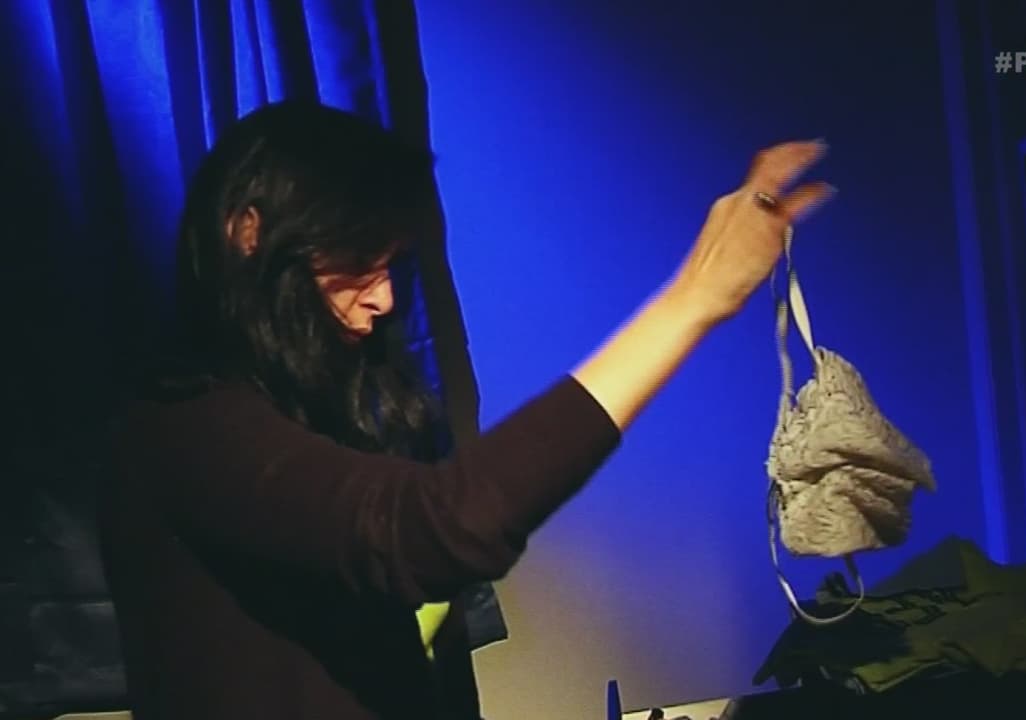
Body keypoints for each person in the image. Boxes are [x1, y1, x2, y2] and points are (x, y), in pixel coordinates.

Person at [100, 101, 831, 720]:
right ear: (250, 235)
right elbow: (437, 529)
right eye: (357, 260)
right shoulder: (183, 427)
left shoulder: (316, 419)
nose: (385, 299)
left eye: (390, 264)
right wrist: (693, 299)